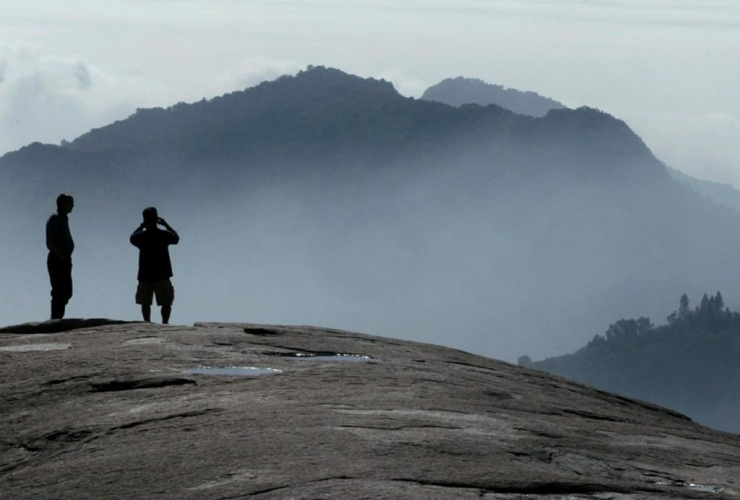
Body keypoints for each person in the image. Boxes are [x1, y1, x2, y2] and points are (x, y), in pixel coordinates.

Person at [130, 207, 180, 324]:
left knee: (145, 302)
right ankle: (165, 323)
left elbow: (132, 237)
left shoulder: (141, 236)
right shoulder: (163, 235)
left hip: (145, 274)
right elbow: (176, 238)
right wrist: (166, 225)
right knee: (166, 302)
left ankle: (147, 323)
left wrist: (141, 226)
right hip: (162, 273)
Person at [46, 193, 75, 320]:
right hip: (58, 259)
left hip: (63, 258)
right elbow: (50, 240)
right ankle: (56, 319)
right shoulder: (56, 219)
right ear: (62, 204)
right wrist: (60, 254)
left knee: (66, 291)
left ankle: (57, 318)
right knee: (59, 291)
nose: (73, 206)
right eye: (70, 202)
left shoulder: (62, 218)